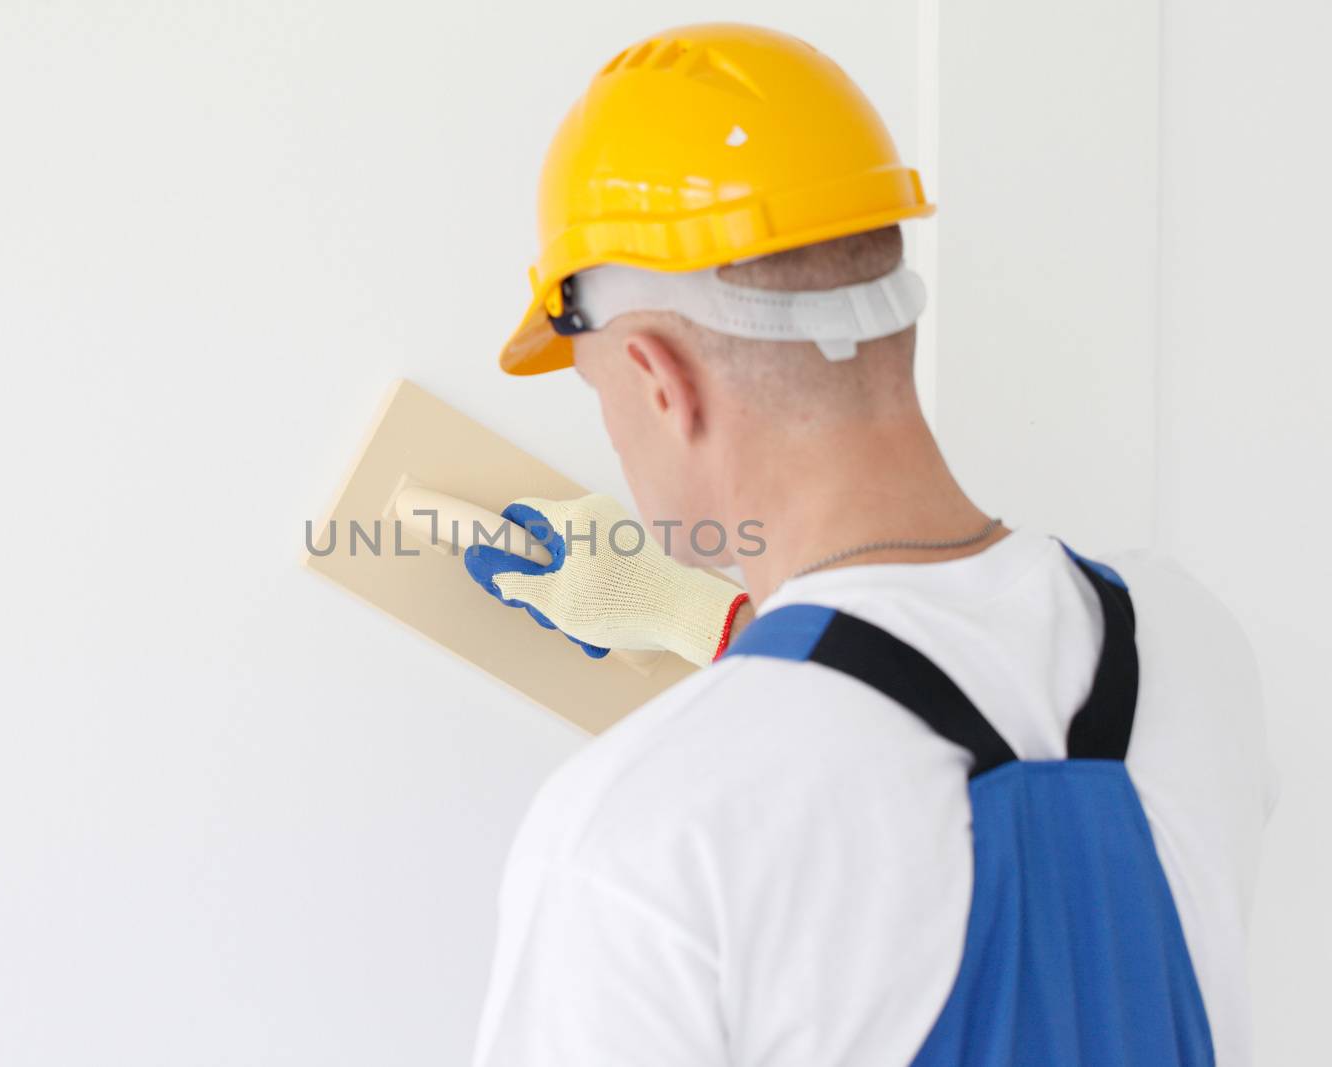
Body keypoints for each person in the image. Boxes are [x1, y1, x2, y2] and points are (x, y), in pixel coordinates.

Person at [462, 22, 1276, 1067]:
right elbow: (924, 698)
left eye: (597, 391)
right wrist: (687, 613)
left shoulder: (637, 832)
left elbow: (850, 736)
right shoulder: (1190, 642)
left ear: (659, 379)